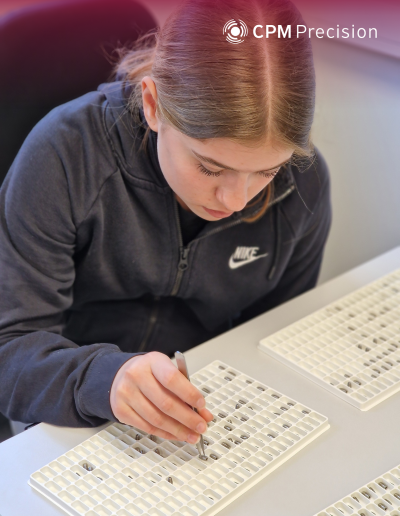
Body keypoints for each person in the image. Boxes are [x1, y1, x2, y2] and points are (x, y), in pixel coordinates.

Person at [0, 0, 331, 445]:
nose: (235, 199)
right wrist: (107, 380)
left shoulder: (303, 185)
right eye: (211, 168)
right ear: (154, 105)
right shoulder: (64, 156)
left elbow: (276, 337)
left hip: (202, 413)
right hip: (66, 405)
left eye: (267, 171)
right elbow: (9, 351)